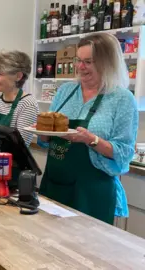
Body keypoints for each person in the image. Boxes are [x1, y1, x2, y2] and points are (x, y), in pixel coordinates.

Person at [38, 33, 137, 225]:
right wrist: (42, 132)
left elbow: (124, 153)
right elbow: (46, 139)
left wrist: (91, 140)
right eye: (78, 60)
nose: (80, 67)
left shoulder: (122, 98)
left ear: (107, 63)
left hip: (91, 191)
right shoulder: (66, 91)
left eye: (88, 62)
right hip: (54, 183)